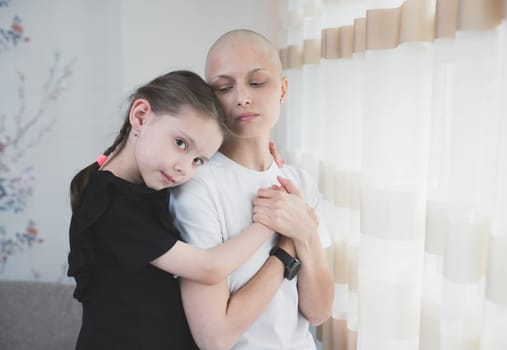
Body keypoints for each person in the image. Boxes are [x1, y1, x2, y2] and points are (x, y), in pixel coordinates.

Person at [67, 70, 297, 349]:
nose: (183, 169)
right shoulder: (110, 204)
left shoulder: (151, 187)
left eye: (199, 160)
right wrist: (270, 220)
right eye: (180, 143)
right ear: (141, 116)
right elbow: (209, 268)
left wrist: (261, 161)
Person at [170, 29, 334, 349]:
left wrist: (306, 235)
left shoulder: (299, 182)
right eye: (224, 87)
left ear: (283, 89)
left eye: (257, 82)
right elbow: (214, 338)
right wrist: (288, 245)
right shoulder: (198, 188)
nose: (242, 97)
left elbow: (318, 312)